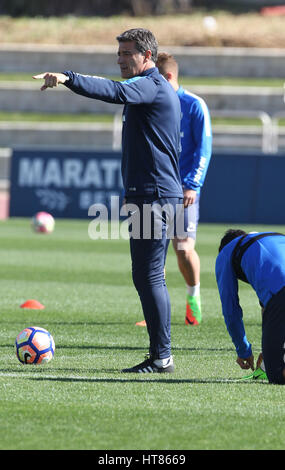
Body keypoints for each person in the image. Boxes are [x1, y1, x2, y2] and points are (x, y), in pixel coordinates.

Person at [33, 28, 183, 373]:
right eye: (118, 53)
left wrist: (69, 78)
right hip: (151, 194)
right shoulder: (150, 88)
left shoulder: (150, 85)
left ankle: (162, 357)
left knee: (149, 276)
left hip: (155, 196)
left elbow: (114, 92)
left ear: (147, 56)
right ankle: (161, 354)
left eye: (127, 53)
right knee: (147, 275)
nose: (120, 59)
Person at [150, 52, 212, 326]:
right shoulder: (152, 104)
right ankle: (157, 309)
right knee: (152, 252)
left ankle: (193, 297)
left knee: (183, 249)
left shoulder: (194, 105)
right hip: (154, 189)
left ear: (169, 77)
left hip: (183, 189)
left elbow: (204, 149)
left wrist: (192, 185)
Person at [215, 229, 285, 385]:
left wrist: (243, 350)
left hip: (281, 292)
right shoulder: (271, 239)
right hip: (280, 292)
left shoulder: (226, 253)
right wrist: (269, 348)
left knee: (276, 374)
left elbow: (231, 311)